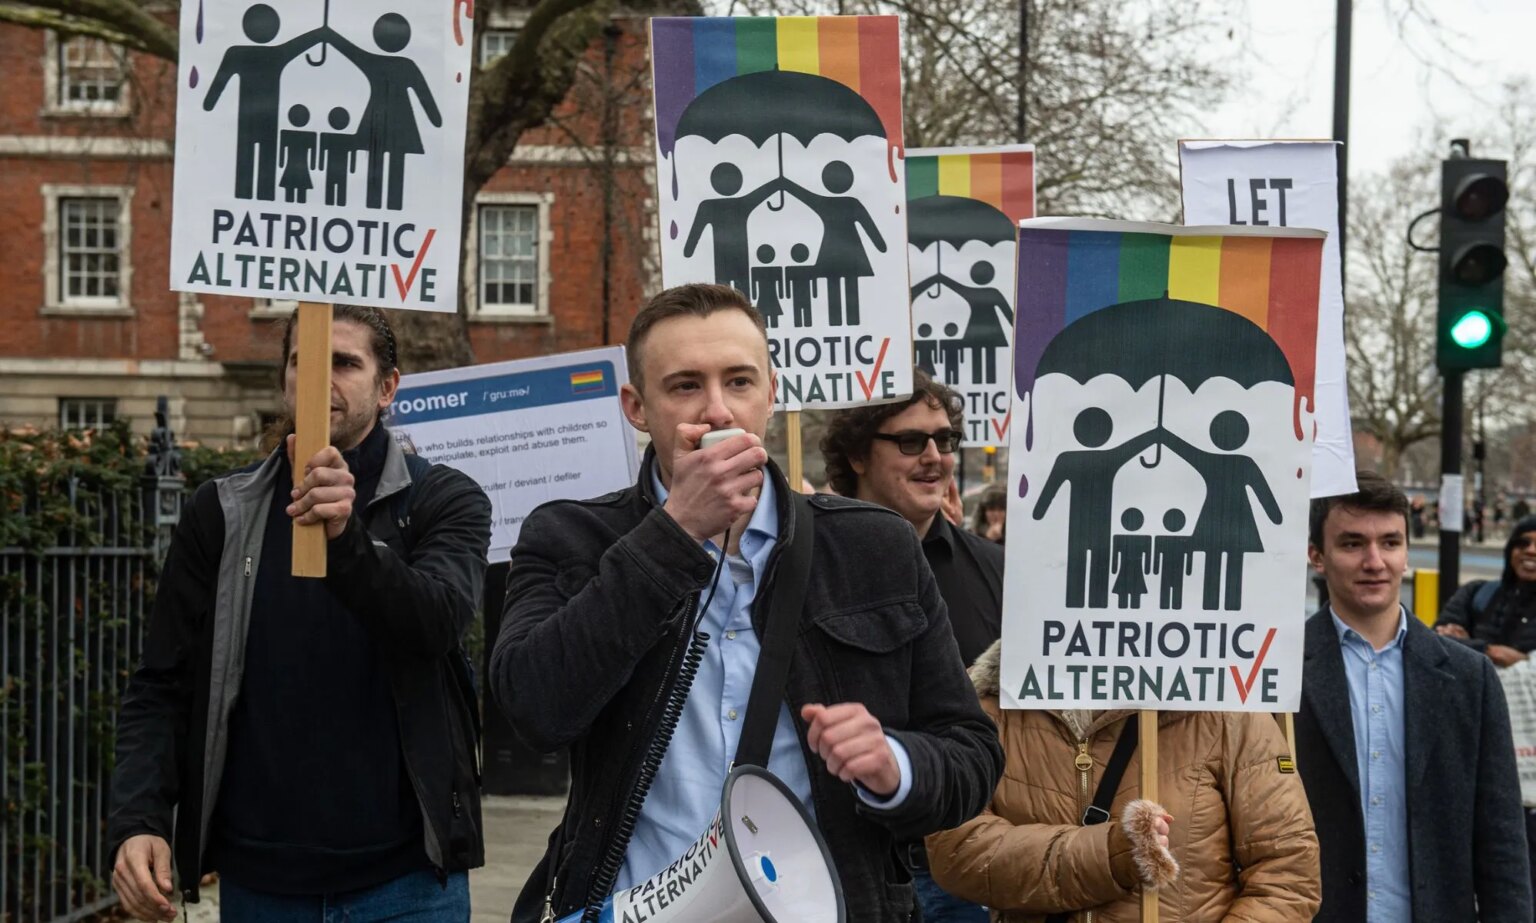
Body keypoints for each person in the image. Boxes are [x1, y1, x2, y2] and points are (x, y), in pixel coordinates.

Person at [492, 285, 1002, 923]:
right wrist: (672, 537)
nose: (717, 410)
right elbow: (535, 710)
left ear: (770, 391)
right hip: (634, 904)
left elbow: (971, 753)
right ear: (636, 406)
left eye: (738, 381)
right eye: (684, 386)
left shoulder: (873, 544)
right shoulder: (569, 536)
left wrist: (892, 763)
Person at [107, 306, 491, 922]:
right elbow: (163, 683)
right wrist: (138, 819)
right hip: (262, 884)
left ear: (387, 387)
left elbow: (435, 623)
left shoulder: (444, 499)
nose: (319, 380)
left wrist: (347, 542)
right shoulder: (221, 513)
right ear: (283, 379)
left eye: (344, 363)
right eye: (302, 362)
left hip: (408, 882)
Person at [925, 643, 1321, 921]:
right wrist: (1112, 853)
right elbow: (956, 849)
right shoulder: (994, 705)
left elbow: (1287, 872)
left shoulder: (1226, 707)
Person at [1296, 471, 1532, 922]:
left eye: (1389, 542)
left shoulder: (1470, 677)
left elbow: (1501, 838)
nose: (1374, 561)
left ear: (1406, 553)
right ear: (1316, 556)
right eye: (1351, 544)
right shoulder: (1279, 671)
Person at [821, 368, 1005, 922]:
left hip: (971, 858)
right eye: (909, 441)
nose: (934, 456)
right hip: (847, 858)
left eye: (944, 439)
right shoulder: (803, 567)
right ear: (857, 456)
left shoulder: (998, 570)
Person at [1436, 514, 1536, 900]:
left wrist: (1471, 646)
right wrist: (1498, 653)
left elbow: (1458, 646)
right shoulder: (1478, 593)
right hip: (1471, 738)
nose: (1530, 551)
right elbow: (1441, 645)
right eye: (1522, 542)